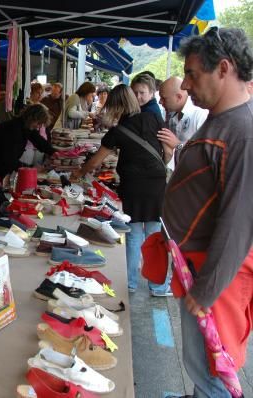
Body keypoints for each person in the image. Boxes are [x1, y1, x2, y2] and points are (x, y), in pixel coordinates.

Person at [162, 27, 253, 398]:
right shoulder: (221, 120)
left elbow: (239, 221)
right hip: (197, 266)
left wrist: (207, 288)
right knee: (204, 364)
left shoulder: (242, 132)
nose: (186, 83)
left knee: (215, 366)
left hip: (214, 275)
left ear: (224, 69)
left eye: (193, 74)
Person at [70, 84, 173, 295]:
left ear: (115, 106)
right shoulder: (153, 118)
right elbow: (168, 150)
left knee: (133, 233)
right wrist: (160, 166)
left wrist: (79, 173)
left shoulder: (118, 131)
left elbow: (95, 161)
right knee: (154, 235)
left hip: (133, 184)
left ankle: (131, 283)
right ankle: (158, 286)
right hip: (156, 182)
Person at [0, 103, 54, 181]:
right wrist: (31, 168)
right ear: (31, 118)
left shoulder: (26, 126)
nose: (38, 127)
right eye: (38, 123)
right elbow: (9, 160)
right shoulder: (13, 130)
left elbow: (39, 141)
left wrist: (54, 153)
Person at [157, 76, 208, 170]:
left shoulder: (200, 115)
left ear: (179, 97)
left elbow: (204, 156)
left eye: (164, 98)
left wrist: (178, 145)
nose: (160, 102)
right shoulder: (172, 117)